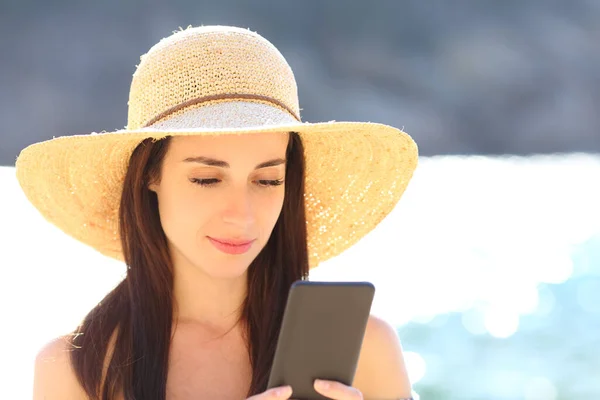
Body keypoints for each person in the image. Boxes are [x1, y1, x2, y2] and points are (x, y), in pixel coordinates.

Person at [17, 25, 418, 400]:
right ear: (149, 176)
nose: (241, 215)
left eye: (267, 181)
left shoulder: (364, 350)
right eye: (207, 179)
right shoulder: (75, 369)